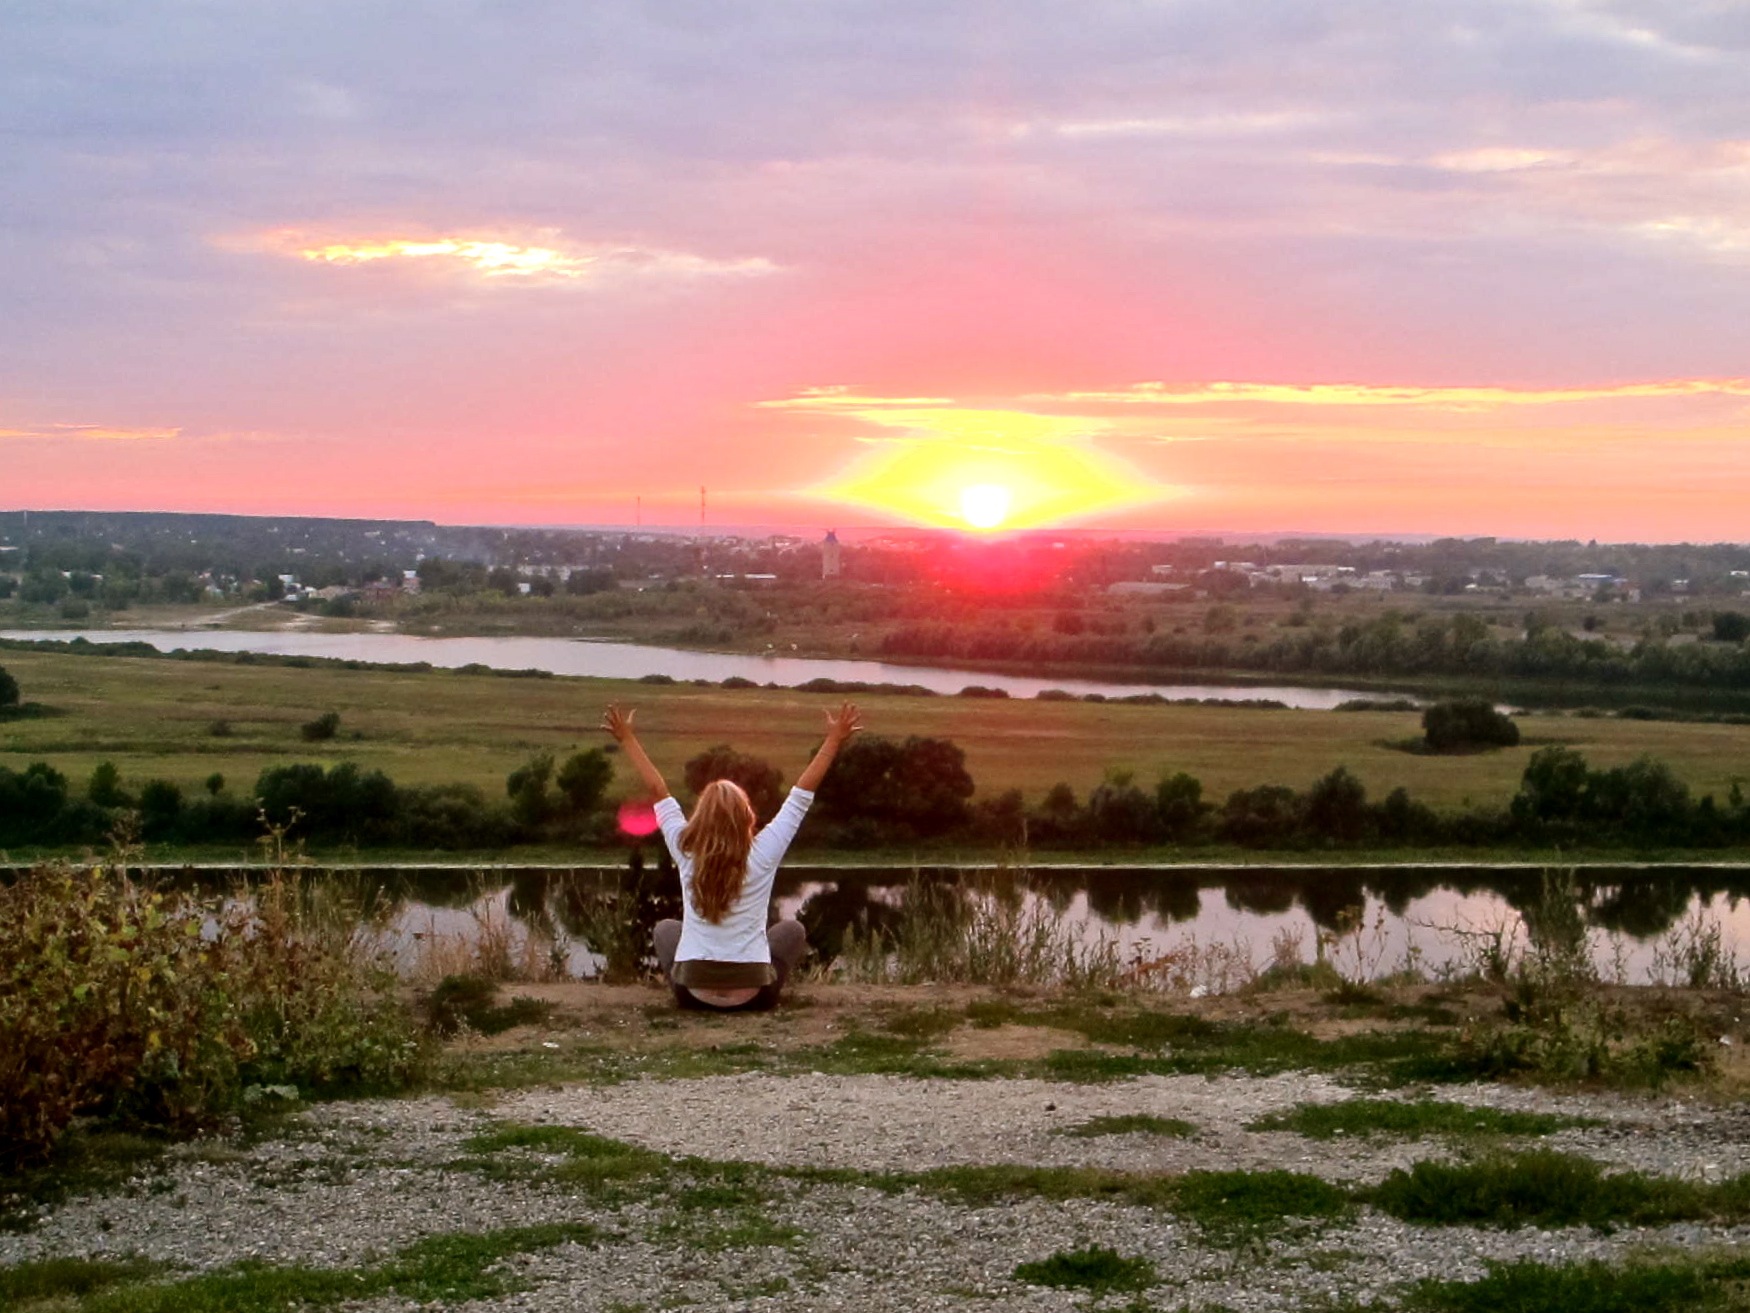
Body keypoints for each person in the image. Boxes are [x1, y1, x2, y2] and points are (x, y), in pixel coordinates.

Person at [601, 701, 863, 1010]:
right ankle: (755, 983)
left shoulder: (685, 848)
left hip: (692, 996)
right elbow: (800, 796)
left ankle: (692, 986)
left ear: (701, 814)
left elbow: (658, 790)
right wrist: (834, 739)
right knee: (792, 931)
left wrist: (627, 738)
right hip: (754, 997)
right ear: (745, 815)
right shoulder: (764, 851)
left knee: (665, 929)